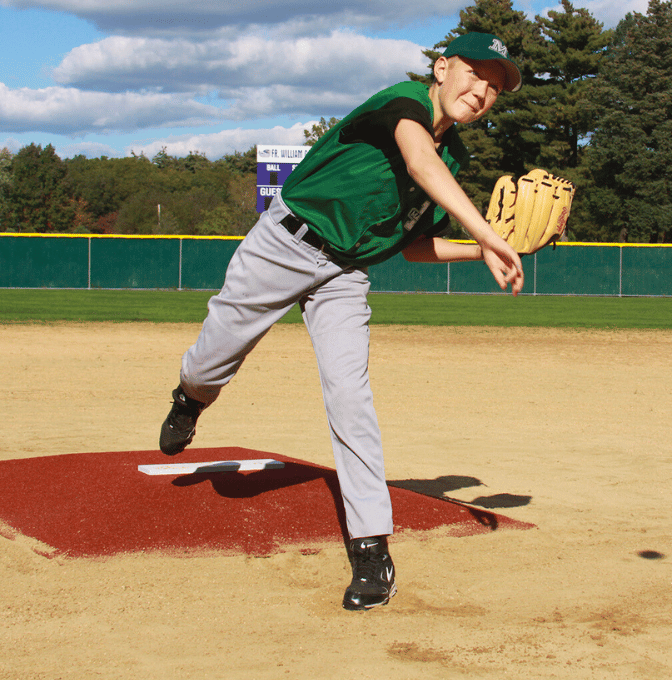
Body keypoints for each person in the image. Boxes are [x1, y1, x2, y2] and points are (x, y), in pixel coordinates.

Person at [158, 32, 525, 611]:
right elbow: (418, 160)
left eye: (496, 87)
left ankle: (371, 548)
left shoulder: (457, 159)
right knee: (214, 357)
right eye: (476, 73)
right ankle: (190, 397)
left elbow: (415, 246)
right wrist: (486, 229)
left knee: (351, 395)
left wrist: (484, 251)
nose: (483, 90)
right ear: (441, 67)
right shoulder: (401, 102)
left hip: (345, 274)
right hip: (284, 244)